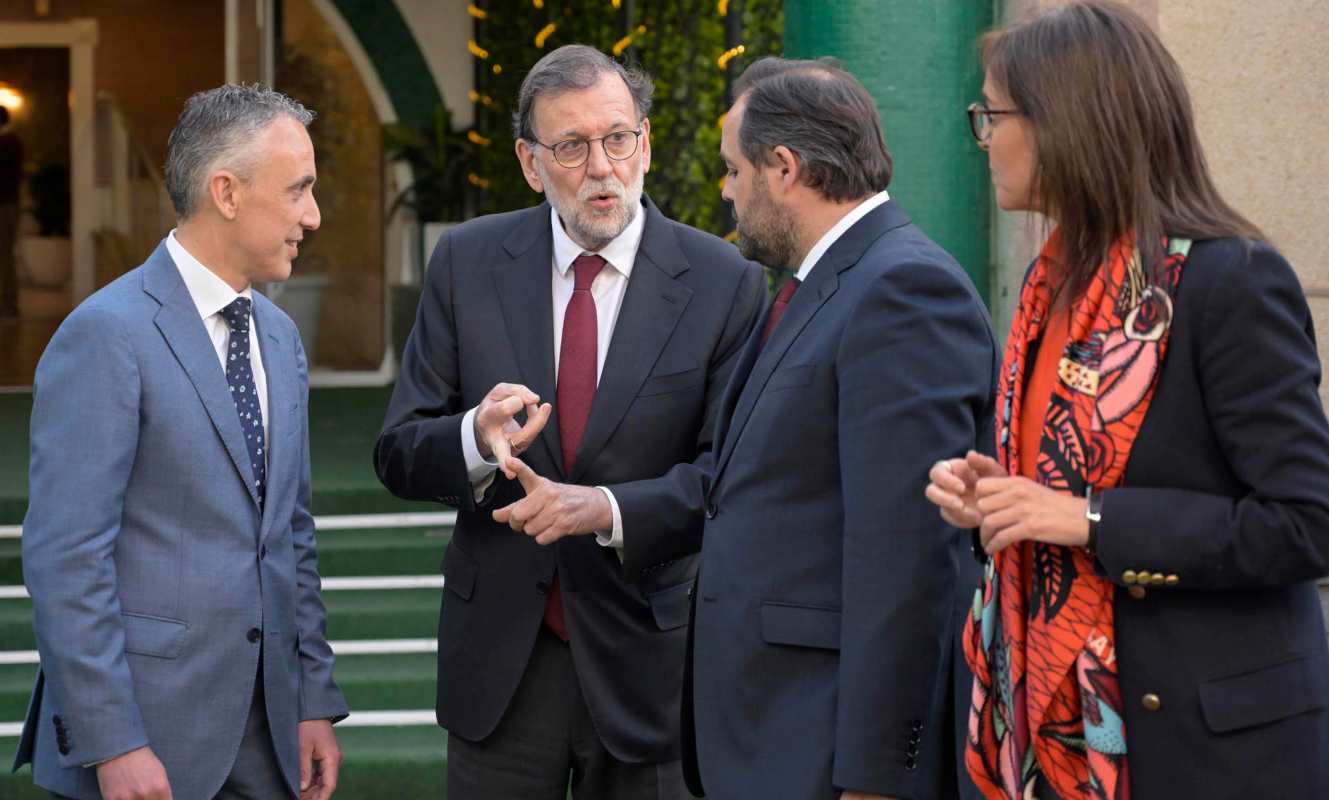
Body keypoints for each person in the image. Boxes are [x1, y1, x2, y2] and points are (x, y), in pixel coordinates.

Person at [925, 3, 1329, 798]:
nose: (981, 140)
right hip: (1051, 734)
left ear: (1066, 124)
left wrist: (1091, 520)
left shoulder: (1226, 282)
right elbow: (1066, 485)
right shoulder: (1053, 288)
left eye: (991, 115)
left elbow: (1307, 521)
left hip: (1198, 748)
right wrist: (999, 501)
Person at [374, 45, 765, 800]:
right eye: (571, 146)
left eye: (618, 138)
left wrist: (607, 510)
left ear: (645, 144)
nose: (601, 166)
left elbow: (731, 480)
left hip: (651, 665)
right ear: (529, 162)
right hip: (501, 669)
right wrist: (474, 440)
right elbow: (397, 450)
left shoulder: (726, 284)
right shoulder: (466, 262)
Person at [623, 57, 997, 799]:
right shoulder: (822, 283)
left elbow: (908, 562)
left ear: (784, 168)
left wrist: (878, 776)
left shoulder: (901, 289)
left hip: (827, 754)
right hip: (774, 737)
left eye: (733, 171)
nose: (725, 192)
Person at [14, 84, 346, 800]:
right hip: (146, 746)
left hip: (270, 740)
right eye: (298, 190)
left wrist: (313, 695)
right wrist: (114, 743)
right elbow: (67, 558)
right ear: (226, 192)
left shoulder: (282, 339)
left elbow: (289, 533)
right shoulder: (106, 334)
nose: (311, 217)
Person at [0, 105, 21, 318]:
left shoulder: (9, 142)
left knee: (5, 256)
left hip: (5, 206)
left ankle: (8, 305)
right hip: (7, 204)